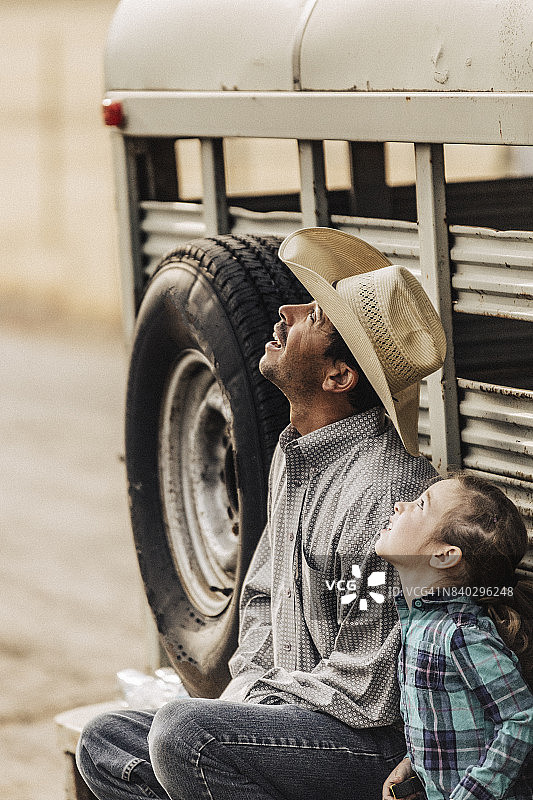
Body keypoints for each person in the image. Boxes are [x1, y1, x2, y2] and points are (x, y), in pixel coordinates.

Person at [76, 227, 447, 800]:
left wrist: (256, 709)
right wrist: (244, 696)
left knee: (184, 737)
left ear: (338, 376)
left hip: (359, 739)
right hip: (290, 718)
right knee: (104, 741)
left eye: (314, 316)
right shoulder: (293, 458)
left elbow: (367, 684)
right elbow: (261, 600)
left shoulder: (385, 490)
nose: (287, 309)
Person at [377, 473, 533, 800]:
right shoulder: (419, 624)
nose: (399, 505)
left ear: (444, 556)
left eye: (420, 505)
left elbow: (520, 718)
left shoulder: (460, 633)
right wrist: (413, 766)